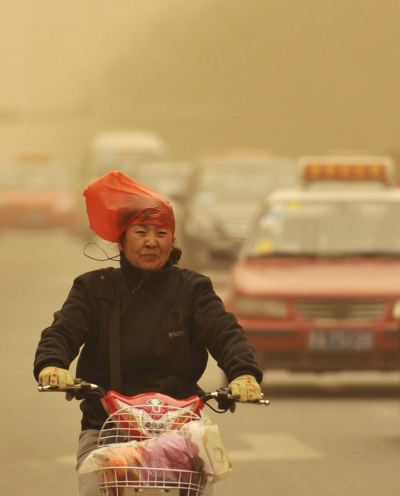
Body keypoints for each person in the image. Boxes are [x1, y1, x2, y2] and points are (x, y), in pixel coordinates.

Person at [33, 170, 263, 496]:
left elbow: (226, 332)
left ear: (173, 241)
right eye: (141, 232)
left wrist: (244, 374)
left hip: (180, 431)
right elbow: (62, 332)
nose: (151, 241)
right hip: (105, 428)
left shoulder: (194, 289)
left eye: (161, 233)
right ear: (122, 239)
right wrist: (52, 365)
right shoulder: (92, 288)